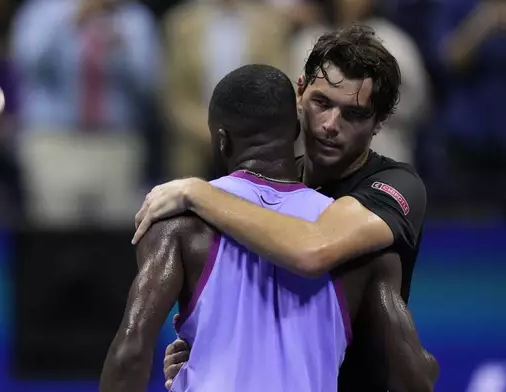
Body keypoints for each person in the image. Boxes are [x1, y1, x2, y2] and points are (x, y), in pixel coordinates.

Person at [101, 64, 436, 392]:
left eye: (353, 113)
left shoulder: (179, 224)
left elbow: (131, 353)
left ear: (222, 140)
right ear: (295, 127)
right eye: (323, 104)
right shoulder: (360, 245)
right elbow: (412, 376)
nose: (331, 125)